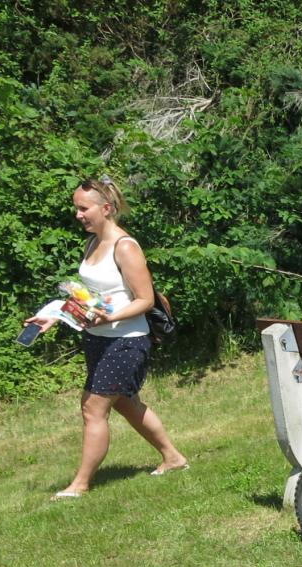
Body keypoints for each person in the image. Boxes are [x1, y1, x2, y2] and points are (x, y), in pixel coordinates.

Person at [24, 175, 188, 499]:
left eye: (83, 208)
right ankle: (173, 458)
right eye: (77, 208)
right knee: (126, 403)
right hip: (97, 338)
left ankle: (80, 484)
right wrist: (54, 314)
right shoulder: (93, 242)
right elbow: (90, 298)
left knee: (92, 408)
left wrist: (110, 317)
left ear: (106, 208)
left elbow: (145, 300)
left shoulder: (125, 247)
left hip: (126, 340)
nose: (78, 215)